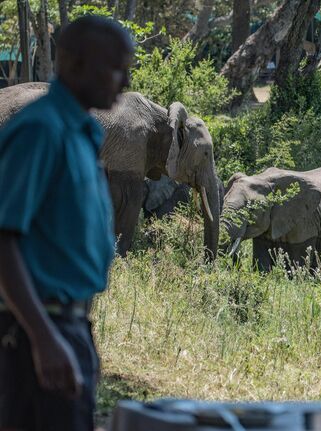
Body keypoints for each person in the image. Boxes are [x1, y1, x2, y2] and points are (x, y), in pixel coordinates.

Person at [0, 16, 133, 430]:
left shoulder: (81, 132)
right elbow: (2, 236)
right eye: (115, 66)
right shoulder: (41, 129)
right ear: (74, 63)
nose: (125, 81)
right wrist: (42, 336)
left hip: (69, 326)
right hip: (34, 331)